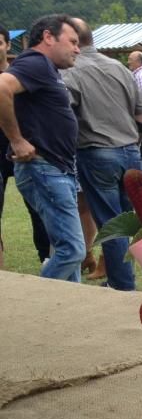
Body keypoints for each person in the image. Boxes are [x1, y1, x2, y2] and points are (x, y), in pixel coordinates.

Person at [63, 19, 142, 291]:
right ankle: (121, 280)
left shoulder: (71, 71)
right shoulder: (119, 67)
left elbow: (63, 115)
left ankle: (123, 287)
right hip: (130, 152)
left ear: (74, 40)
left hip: (97, 153)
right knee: (125, 222)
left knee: (111, 225)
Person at [0, 14, 84, 282]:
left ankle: (69, 316)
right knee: (72, 251)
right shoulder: (36, 62)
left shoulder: (47, 69)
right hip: (45, 169)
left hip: (57, 168)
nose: (77, 49)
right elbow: (1, 87)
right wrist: (16, 139)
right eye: (72, 41)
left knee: (68, 251)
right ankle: (32, 301)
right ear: (49, 37)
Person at [0, 23, 50, 270]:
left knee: (39, 212)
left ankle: (46, 259)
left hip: (24, 153)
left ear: (8, 45)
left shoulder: (22, 77)